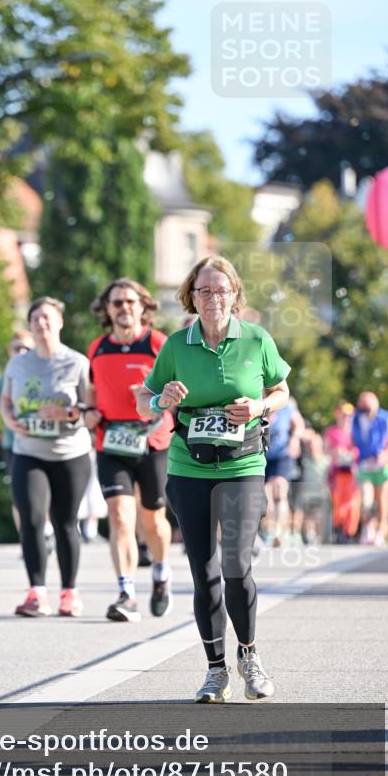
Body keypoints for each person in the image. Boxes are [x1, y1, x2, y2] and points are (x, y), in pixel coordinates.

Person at [137, 256, 291, 702]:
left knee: (236, 567)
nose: (212, 298)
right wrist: (160, 399)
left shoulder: (256, 339)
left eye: (221, 290)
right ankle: (215, 670)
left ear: (234, 295)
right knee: (204, 572)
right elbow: (146, 399)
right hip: (188, 466)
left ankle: (249, 656)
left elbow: (281, 390)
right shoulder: (176, 346)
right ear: (191, 297)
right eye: (203, 291)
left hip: (243, 465)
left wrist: (260, 407)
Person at [86, 278, 173, 622]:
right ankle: (127, 594)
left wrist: (155, 397)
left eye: (130, 302)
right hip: (112, 442)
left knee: (152, 519)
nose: (124, 308)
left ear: (143, 306)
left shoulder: (157, 344)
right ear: (107, 309)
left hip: (153, 441)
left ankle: (162, 573)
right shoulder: (98, 348)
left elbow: (178, 390)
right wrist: (88, 412)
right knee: (121, 516)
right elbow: (92, 391)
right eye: (117, 302)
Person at [0, 297, 92, 617]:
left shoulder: (77, 362)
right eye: (36, 319)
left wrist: (66, 413)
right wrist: (11, 421)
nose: (41, 324)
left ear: (60, 323)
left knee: (66, 522)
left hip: (70, 452)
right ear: (30, 326)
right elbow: (6, 401)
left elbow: (90, 410)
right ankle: (36, 593)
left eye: (47, 318)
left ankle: (69, 592)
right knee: (32, 519)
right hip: (29, 451)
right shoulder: (18, 364)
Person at [0, 330, 35, 534]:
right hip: (13, 443)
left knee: (45, 493)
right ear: (9, 351)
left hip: (42, 442)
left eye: (26, 348)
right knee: (19, 495)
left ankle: (45, 532)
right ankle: (27, 540)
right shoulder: (7, 375)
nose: (22, 352)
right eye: (17, 348)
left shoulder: (44, 369)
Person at [352, 391, 388, 546]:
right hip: (365, 464)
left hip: (384, 465)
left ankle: (382, 530)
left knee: (382, 498)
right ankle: (368, 527)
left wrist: (386, 453)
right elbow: (352, 441)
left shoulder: (387, 418)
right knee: (366, 497)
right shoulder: (355, 419)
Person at [263, 397, 305, 545]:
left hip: (283, 454)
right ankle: (271, 529)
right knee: (267, 493)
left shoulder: (287, 402)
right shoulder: (256, 398)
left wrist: (294, 439)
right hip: (263, 454)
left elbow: (299, 425)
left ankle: (280, 531)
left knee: (279, 491)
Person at [323, 401, 360, 543]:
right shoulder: (332, 431)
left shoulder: (355, 433)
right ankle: (338, 529)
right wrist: (335, 452)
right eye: (344, 415)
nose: (346, 418)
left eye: (349, 416)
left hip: (352, 473)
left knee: (352, 503)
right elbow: (325, 451)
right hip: (337, 473)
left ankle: (349, 531)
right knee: (339, 502)